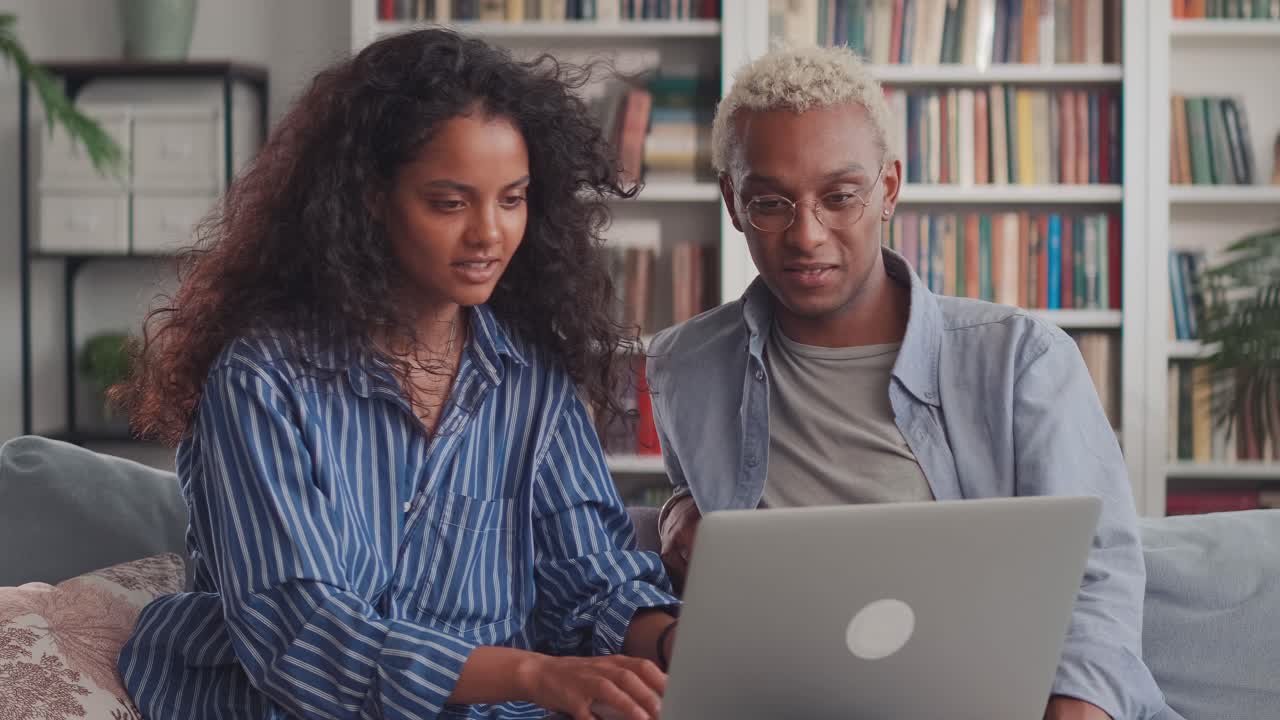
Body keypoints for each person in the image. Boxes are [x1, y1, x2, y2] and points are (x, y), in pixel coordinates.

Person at [115, 29, 678, 720]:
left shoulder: (532, 380)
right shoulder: (263, 381)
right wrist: (531, 674)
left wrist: (675, 645)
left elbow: (589, 584)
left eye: (512, 199)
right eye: (450, 202)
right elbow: (300, 637)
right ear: (370, 199)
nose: (489, 234)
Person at [647, 45, 1171, 720]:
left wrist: (1076, 709)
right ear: (732, 202)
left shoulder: (1020, 360)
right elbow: (712, 542)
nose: (806, 235)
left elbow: (1098, 576)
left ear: (889, 188)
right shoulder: (685, 367)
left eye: (840, 197)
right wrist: (675, 509)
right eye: (771, 203)